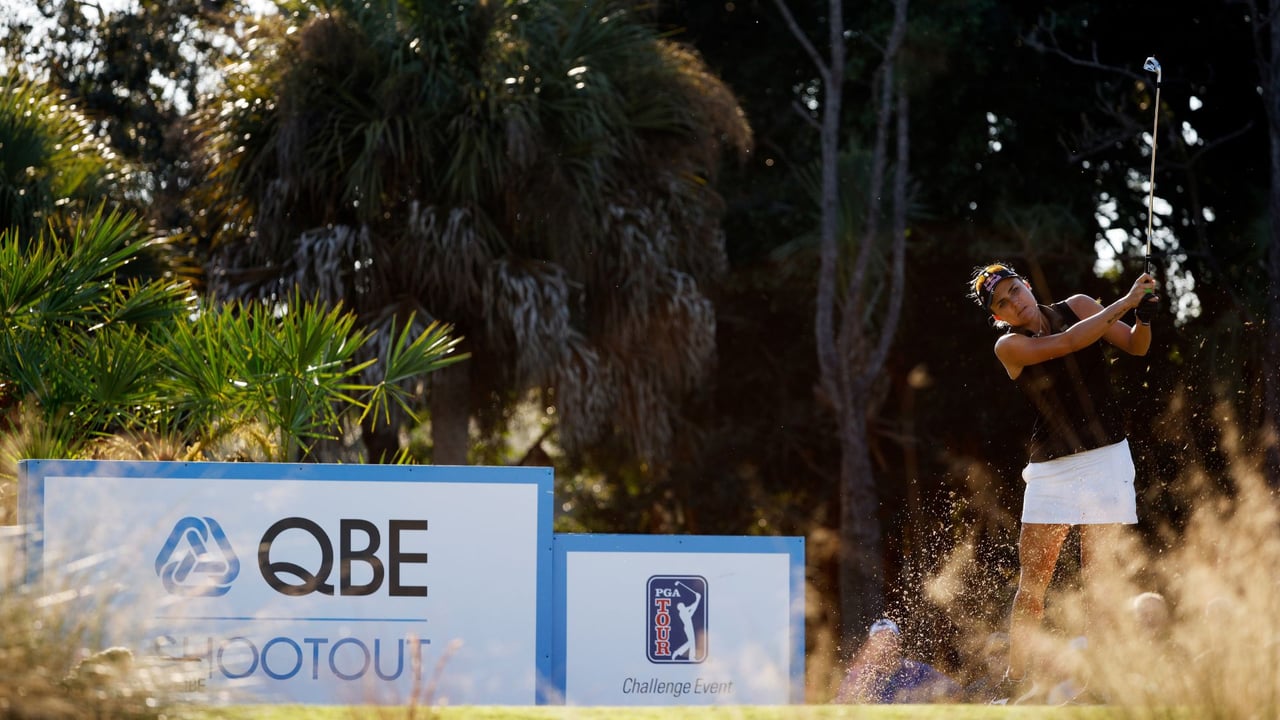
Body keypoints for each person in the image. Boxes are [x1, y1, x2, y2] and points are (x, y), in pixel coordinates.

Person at [966, 262, 1159, 703]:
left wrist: (1143, 316)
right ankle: (1017, 683)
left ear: (1027, 285)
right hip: (1053, 470)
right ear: (999, 316)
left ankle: (1098, 683)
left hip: (1107, 457)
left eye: (1015, 291)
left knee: (1100, 578)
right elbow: (1070, 342)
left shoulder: (1079, 305)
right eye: (1003, 303)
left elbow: (1136, 346)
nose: (1015, 303)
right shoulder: (1009, 346)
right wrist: (1127, 301)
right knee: (1033, 582)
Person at [835, 618, 960, 704]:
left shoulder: (916, 669)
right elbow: (841, 705)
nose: (885, 646)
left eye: (890, 639)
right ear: (871, 646)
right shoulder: (859, 675)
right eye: (879, 640)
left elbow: (954, 691)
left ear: (899, 643)